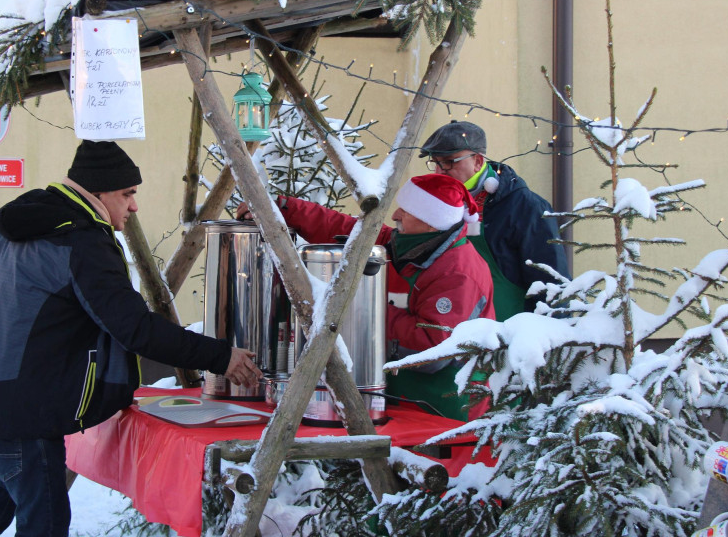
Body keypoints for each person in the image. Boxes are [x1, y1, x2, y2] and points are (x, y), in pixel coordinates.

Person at [0, 140, 261, 537]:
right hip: (20, 413)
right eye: (128, 194)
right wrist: (220, 356)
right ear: (100, 191)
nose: (134, 206)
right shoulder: (82, 239)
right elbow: (133, 327)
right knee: (45, 524)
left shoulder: (17, 223)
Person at [238, 174, 493, 421]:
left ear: (430, 222)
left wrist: (368, 309)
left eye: (406, 210)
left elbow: (431, 351)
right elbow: (344, 228)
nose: (395, 215)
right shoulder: (406, 243)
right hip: (404, 398)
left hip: (445, 409)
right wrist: (286, 209)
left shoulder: (458, 273)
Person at [419, 120, 569, 321]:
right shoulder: (436, 203)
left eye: (449, 162)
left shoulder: (526, 207)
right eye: (435, 162)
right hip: (450, 333)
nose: (439, 171)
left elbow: (551, 284)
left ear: (478, 161)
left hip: (507, 335)